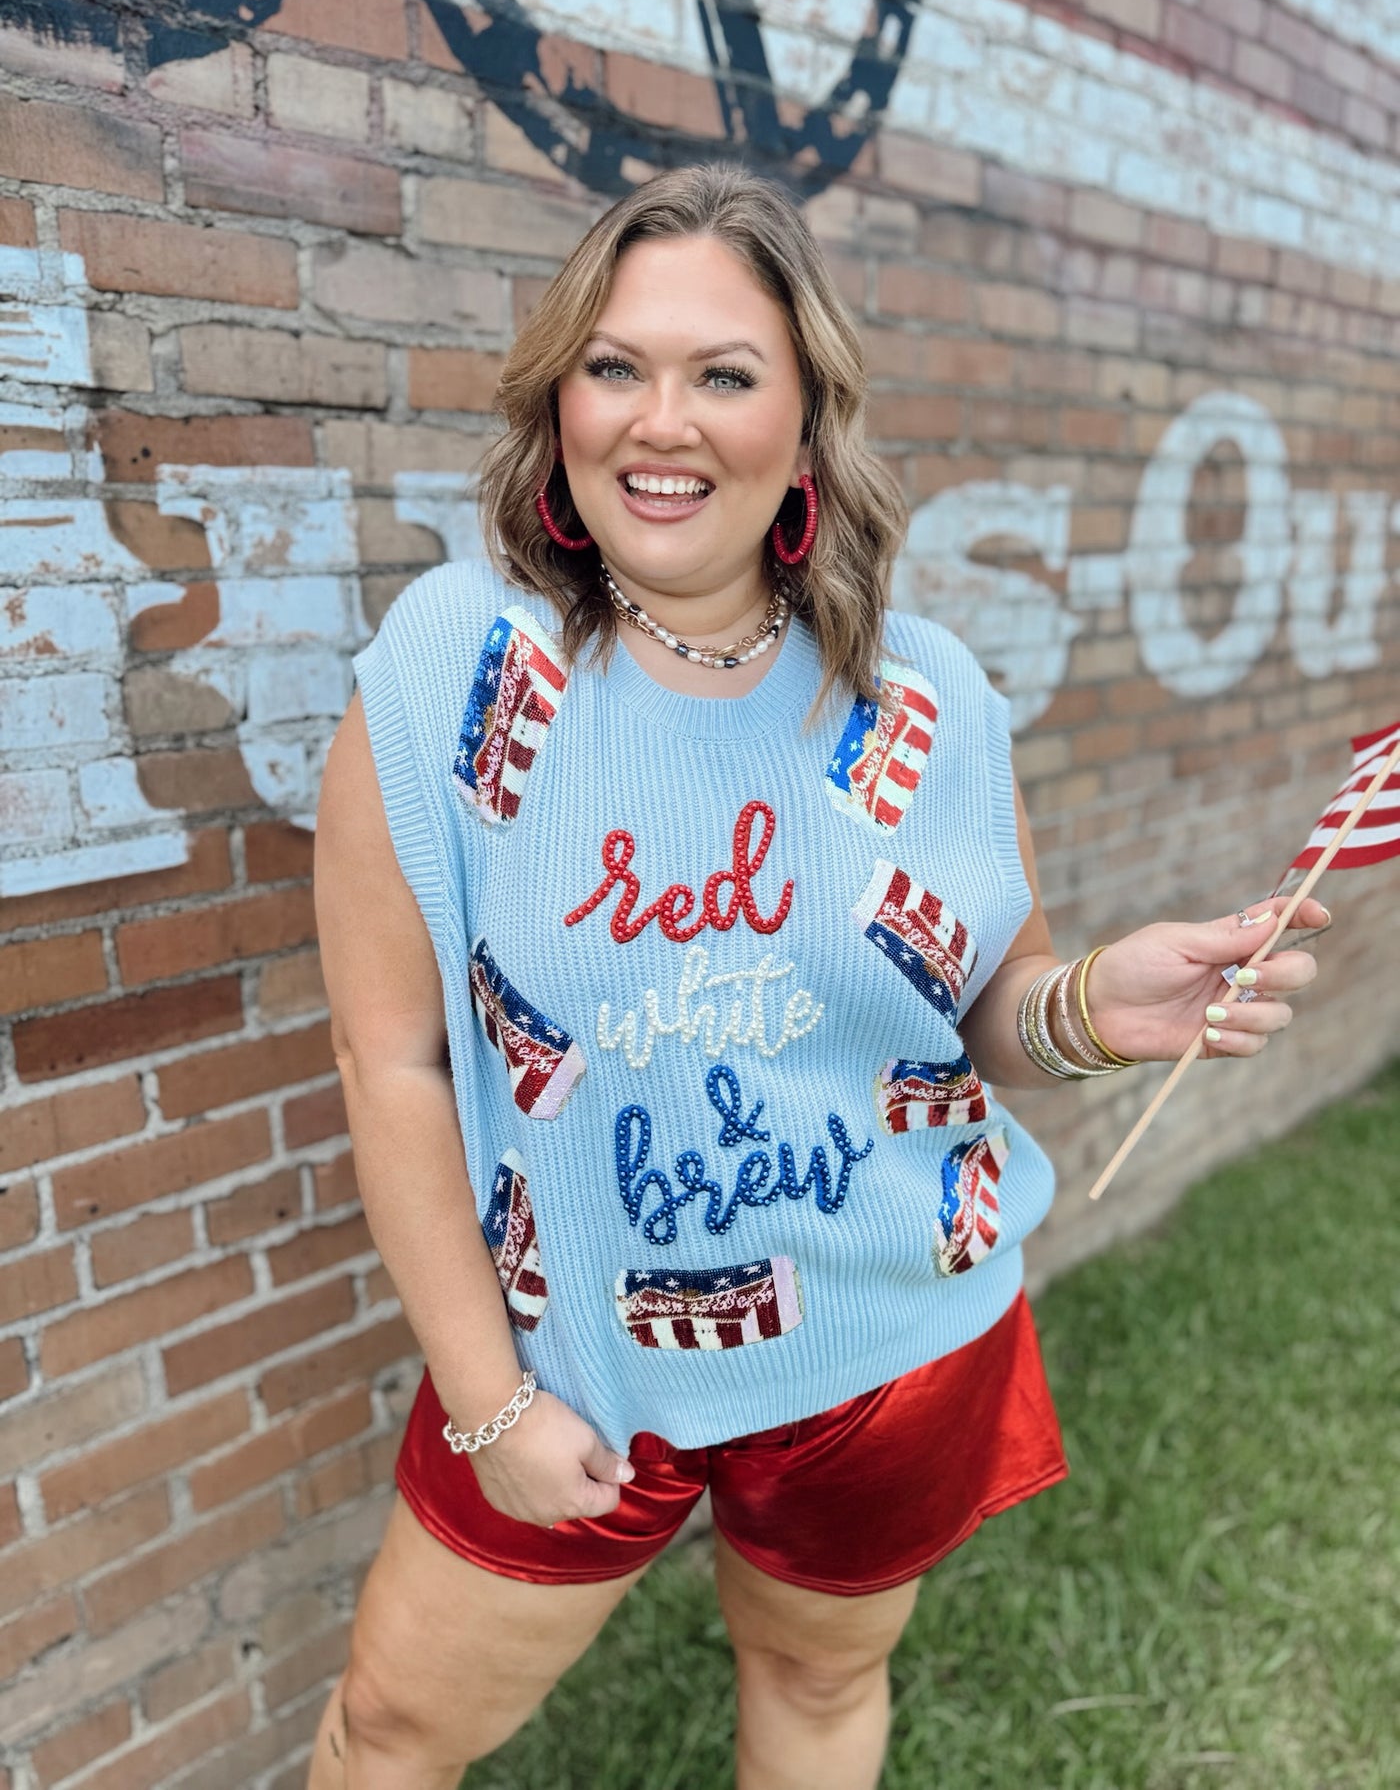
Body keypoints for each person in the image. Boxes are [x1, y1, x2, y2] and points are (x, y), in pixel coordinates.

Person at [308, 163, 1326, 1789]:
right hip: (567, 1356)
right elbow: (395, 1063)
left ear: (802, 422)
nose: (663, 420)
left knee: (818, 1687)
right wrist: (491, 1406)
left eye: (725, 374)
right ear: (560, 397)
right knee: (391, 1730)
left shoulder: (926, 695)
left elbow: (983, 1008)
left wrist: (1090, 1009)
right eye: (617, 364)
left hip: (887, 1340)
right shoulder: (453, 668)